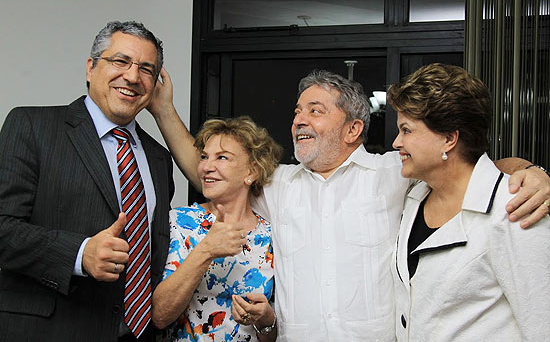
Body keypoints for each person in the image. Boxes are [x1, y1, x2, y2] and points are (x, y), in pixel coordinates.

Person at [148, 68, 550, 342]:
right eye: (297, 111)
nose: (299, 119)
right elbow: (210, 171)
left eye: (315, 110)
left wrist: (530, 170)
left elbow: (462, 165)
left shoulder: (396, 173)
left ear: (354, 128)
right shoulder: (280, 185)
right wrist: (163, 109)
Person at [0, 21, 174, 342]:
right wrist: (80, 254)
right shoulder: (31, 125)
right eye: (120, 61)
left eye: (146, 69)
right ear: (91, 68)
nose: (133, 77)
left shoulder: (159, 158)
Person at [387, 63, 550, 341]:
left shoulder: (515, 209)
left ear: (449, 138)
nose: (395, 142)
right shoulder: (414, 196)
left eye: (407, 130)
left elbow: (542, 324)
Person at [151, 116, 282, 342]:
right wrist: (206, 250)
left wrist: (266, 320)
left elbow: (270, 337)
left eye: (222, 157)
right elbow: (160, 316)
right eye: (204, 157)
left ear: (252, 171)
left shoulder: (270, 236)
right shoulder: (181, 223)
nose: (206, 167)